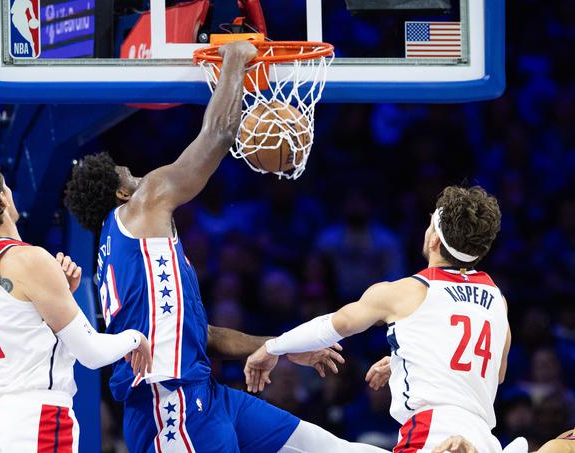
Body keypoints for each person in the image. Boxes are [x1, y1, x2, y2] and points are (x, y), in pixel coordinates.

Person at [64, 40, 387, 453]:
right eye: (130, 175)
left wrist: (282, 349)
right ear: (122, 195)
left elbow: (203, 335)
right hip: (170, 406)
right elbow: (217, 134)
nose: (142, 175)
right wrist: (235, 58)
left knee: (327, 448)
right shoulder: (144, 206)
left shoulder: (132, 246)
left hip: (205, 392)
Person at [245, 186, 511, 452]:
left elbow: (333, 326)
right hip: (485, 441)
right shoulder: (498, 300)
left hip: (434, 437)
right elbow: (493, 374)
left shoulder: (406, 291)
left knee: (302, 442)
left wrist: (272, 347)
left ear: (434, 240)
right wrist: (408, 359)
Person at [0, 155, 152, 452]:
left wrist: (59, 291)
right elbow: (91, 353)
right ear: (1, 198)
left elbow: (18, 321)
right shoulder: (30, 260)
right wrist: (134, 338)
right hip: (39, 419)